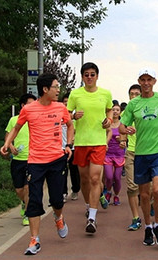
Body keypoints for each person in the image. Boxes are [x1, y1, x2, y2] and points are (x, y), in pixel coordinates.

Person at [0, 73, 73, 255]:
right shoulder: (29, 109)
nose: (58, 90)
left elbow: (70, 125)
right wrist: (7, 143)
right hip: (35, 162)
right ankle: (34, 239)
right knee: (34, 200)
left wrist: (69, 145)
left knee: (57, 199)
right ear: (45, 89)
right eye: (55, 87)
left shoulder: (60, 108)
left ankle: (59, 216)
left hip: (57, 160)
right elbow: (16, 128)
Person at [119, 68, 158, 246]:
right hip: (141, 154)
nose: (146, 83)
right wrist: (126, 130)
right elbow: (122, 126)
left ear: (154, 81)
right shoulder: (134, 104)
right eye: (143, 80)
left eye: (149, 79)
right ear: (139, 80)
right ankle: (147, 226)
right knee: (144, 195)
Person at [67, 62, 113, 234]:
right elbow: (66, 114)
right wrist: (73, 115)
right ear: (82, 76)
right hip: (81, 142)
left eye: (92, 74)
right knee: (84, 180)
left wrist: (108, 120)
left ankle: (92, 218)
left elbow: (109, 111)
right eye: (86, 74)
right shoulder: (75, 94)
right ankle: (88, 205)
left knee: (95, 179)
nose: (89, 77)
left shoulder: (105, 93)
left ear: (97, 76)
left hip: (99, 142)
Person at [4, 93, 36, 226]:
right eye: (30, 104)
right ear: (23, 106)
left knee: (27, 188)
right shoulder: (14, 120)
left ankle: (28, 214)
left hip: (32, 159)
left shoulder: (36, 120)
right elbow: (7, 137)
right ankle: (24, 203)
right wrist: (10, 146)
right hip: (17, 160)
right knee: (19, 190)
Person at [123, 84, 143, 231]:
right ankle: (136, 218)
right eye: (132, 94)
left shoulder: (148, 110)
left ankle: (149, 205)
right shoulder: (127, 112)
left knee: (147, 188)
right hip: (131, 152)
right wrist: (124, 136)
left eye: (137, 94)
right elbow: (122, 127)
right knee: (132, 187)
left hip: (147, 152)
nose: (134, 96)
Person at [104, 103, 126, 205]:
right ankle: (108, 191)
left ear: (120, 112)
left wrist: (122, 140)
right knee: (108, 176)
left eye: (117, 110)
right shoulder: (106, 124)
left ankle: (116, 195)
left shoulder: (123, 125)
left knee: (117, 177)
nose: (115, 112)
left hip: (119, 154)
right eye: (113, 110)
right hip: (107, 154)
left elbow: (127, 139)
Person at [61, 93, 80, 201]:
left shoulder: (77, 118)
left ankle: (75, 190)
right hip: (61, 148)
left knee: (74, 170)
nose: (67, 104)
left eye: (69, 103)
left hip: (74, 147)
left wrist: (73, 139)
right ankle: (63, 192)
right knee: (62, 171)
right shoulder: (59, 116)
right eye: (65, 102)